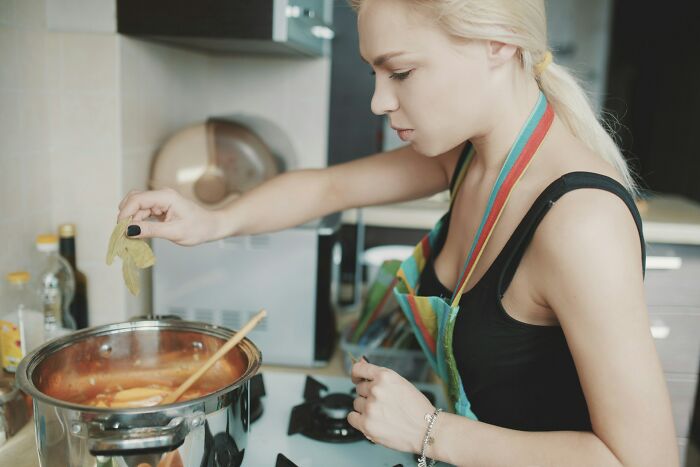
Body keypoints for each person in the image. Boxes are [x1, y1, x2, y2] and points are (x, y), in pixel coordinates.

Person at [117, 0, 678, 465]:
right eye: (374, 74)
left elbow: (642, 460)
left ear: (498, 43)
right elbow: (327, 189)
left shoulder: (580, 220)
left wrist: (431, 431)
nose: (379, 101)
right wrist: (211, 220)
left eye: (401, 72)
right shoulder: (468, 159)